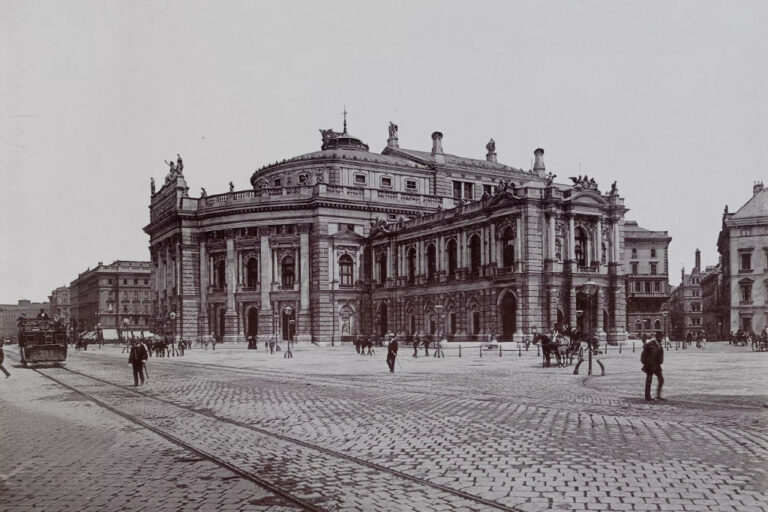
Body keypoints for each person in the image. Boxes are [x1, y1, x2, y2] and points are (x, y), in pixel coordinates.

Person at [641, 331, 665, 401]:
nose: (662, 338)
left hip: (657, 365)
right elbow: (644, 355)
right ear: (657, 337)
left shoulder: (658, 344)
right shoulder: (651, 344)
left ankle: (658, 395)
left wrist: (660, 362)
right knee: (649, 380)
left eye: (662, 337)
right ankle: (647, 396)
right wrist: (647, 363)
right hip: (650, 365)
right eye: (661, 337)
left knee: (661, 379)